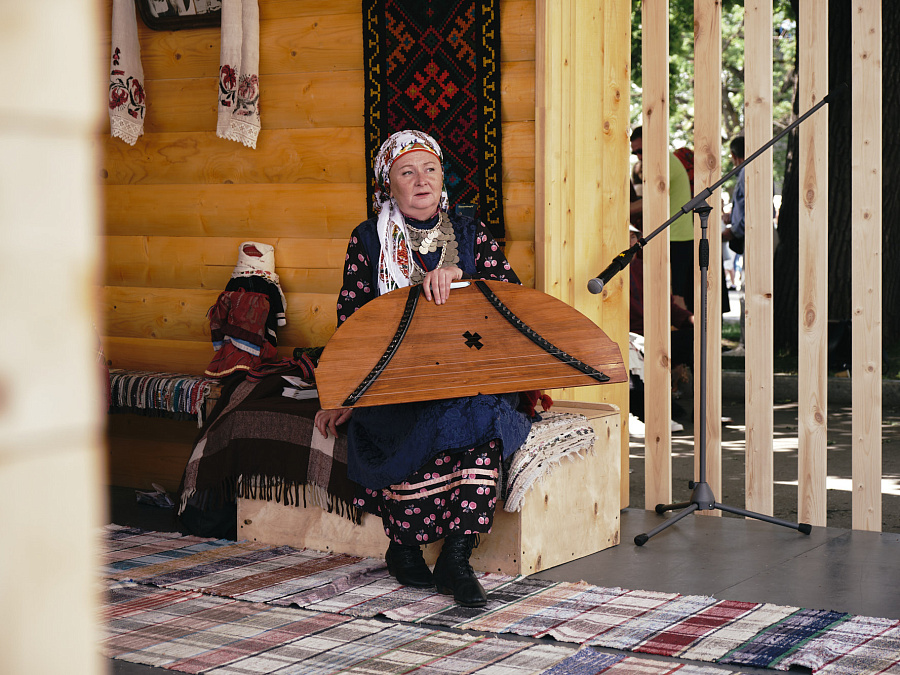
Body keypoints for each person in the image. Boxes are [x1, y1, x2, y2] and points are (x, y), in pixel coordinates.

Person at [314, 130, 531, 608]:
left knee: (481, 412)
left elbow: (512, 299)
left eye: (430, 169)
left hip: (469, 369)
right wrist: (344, 393)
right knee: (414, 413)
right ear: (387, 186)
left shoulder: (470, 234)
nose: (421, 181)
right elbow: (352, 318)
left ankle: (456, 557)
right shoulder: (368, 239)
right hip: (397, 376)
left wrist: (462, 277)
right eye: (406, 172)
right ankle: (405, 545)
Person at [630, 126, 695, 312]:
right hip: (673, 237)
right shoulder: (665, 161)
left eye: (641, 151)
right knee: (670, 296)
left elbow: (648, 202)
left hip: (676, 239)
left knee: (676, 299)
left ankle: (681, 339)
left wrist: (617, 210)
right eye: (635, 153)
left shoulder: (664, 163)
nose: (639, 156)